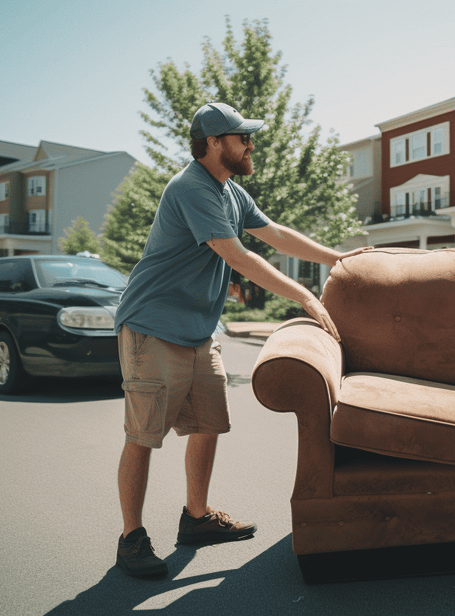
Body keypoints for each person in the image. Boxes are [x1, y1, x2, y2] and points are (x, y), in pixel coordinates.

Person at [112, 102, 369, 578]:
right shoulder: (191, 187)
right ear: (212, 143)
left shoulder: (230, 191)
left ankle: (195, 518)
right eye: (241, 137)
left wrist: (338, 258)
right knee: (144, 435)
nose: (250, 144)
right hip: (152, 327)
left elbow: (274, 234)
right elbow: (238, 256)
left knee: (208, 424)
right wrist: (307, 299)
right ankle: (131, 538)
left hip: (198, 329)